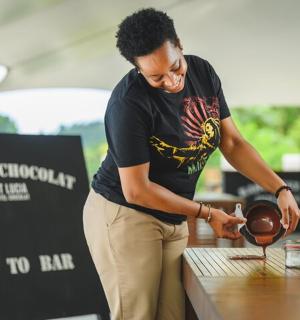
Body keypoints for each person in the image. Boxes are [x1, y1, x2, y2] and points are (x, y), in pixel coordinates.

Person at [82, 8, 300, 320]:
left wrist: (280, 189)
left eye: (175, 67)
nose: (171, 81)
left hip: (174, 217)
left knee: (174, 314)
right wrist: (206, 213)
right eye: (156, 77)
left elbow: (233, 143)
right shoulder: (127, 103)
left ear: (179, 45)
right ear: (137, 68)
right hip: (125, 215)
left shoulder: (203, 73)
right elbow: (137, 190)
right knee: (138, 315)